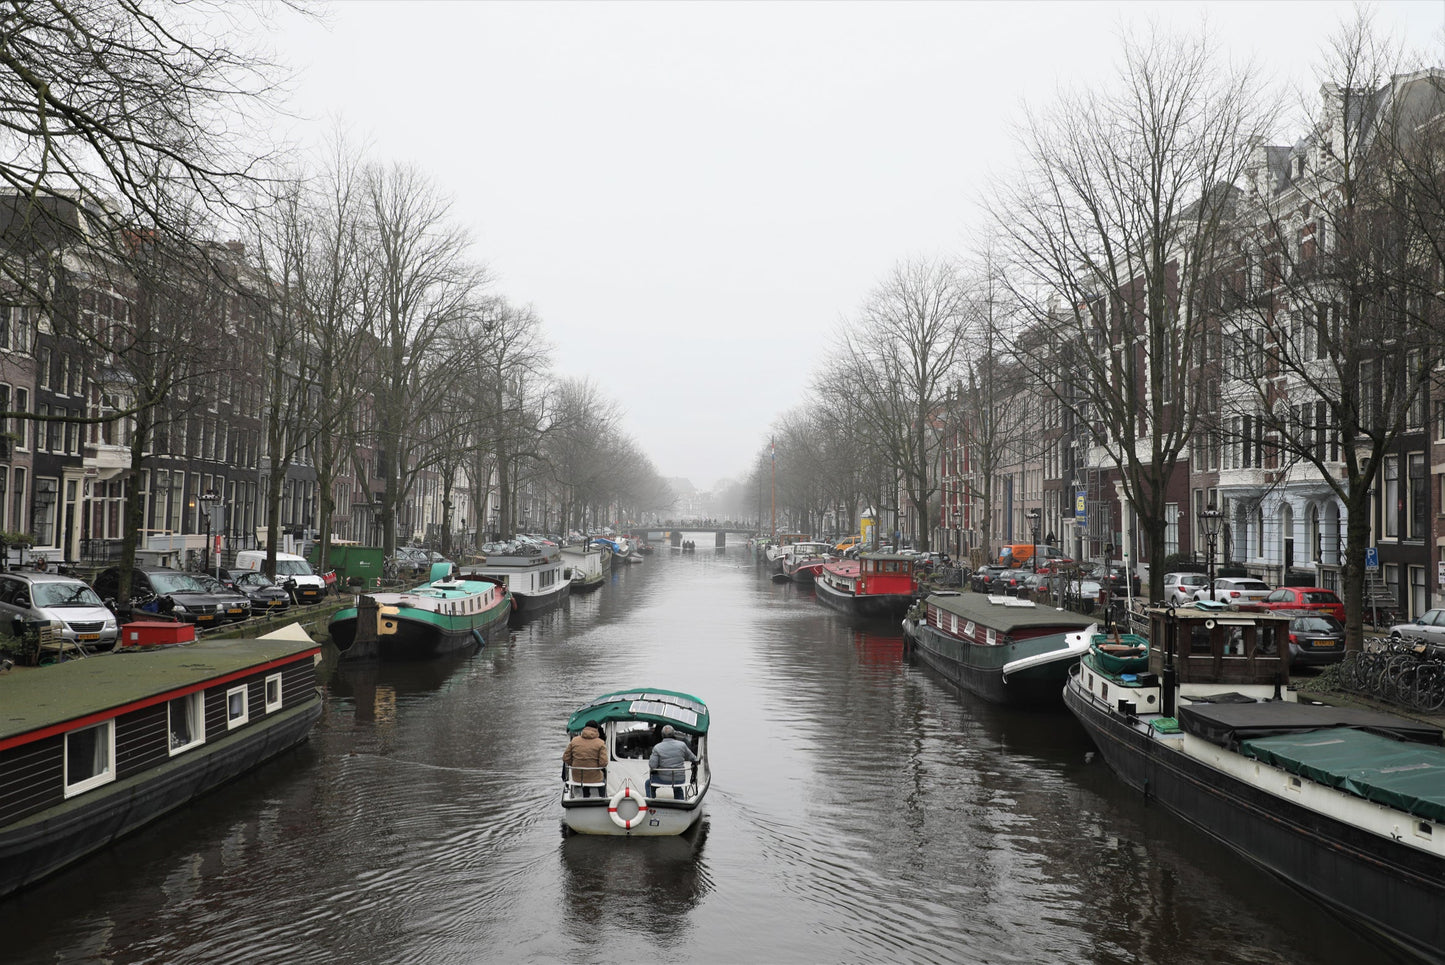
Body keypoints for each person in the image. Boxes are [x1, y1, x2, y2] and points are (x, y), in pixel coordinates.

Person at [646, 724, 698, 800]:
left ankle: (651, 802)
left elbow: (652, 765)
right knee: (678, 787)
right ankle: (680, 803)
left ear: (662, 735)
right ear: (674, 734)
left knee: (648, 784)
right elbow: (694, 759)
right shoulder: (682, 745)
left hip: (663, 779)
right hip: (680, 779)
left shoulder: (657, 747)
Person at [562, 720, 608, 797]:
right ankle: (603, 796)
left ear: (584, 728)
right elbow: (603, 763)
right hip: (594, 777)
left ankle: (586, 795)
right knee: (602, 778)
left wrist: (574, 764)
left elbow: (566, 758)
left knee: (584, 775)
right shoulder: (600, 743)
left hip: (577, 777)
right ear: (596, 729)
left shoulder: (574, 740)